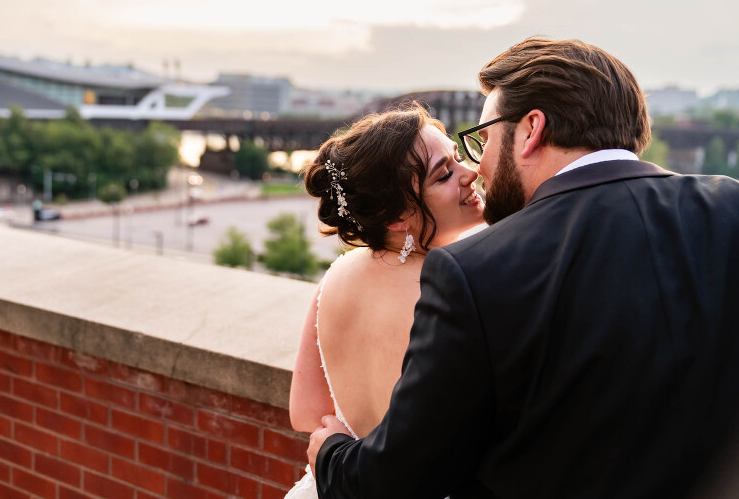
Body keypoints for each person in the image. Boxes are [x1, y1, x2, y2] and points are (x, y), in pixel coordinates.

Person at [309, 37, 739, 499]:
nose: (479, 167)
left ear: (531, 129)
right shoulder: (730, 209)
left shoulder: (474, 272)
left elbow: (398, 479)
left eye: (484, 139)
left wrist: (330, 452)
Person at [286, 105, 486, 498]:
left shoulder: (335, 279)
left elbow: (306, 412)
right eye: (445, 173)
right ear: (394, 216)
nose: (471, 173)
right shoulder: (455, 287)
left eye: (459, 158)